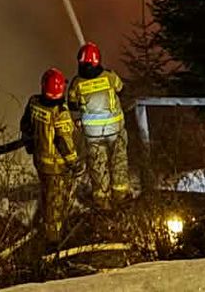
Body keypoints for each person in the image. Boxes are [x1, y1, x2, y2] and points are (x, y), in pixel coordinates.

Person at [19, 66, 80, 246]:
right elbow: (64, 142)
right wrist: (74, 163)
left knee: (47, 194)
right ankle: (53, 240)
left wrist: (30, 145)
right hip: (57, 166)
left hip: (40, 162)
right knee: (56, 203)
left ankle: (48, 227)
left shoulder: (34, 103)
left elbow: (25, 125)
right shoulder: (60, 112)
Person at [67, 41, 130, 209]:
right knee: (118, 162)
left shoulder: (76, 83)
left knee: (97, 165)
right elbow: (122, 90)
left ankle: (102, 201)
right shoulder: (110, 76)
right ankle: (121, 198)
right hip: (115, 131)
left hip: (92, 135)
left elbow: (72, 105)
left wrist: (78, 118)